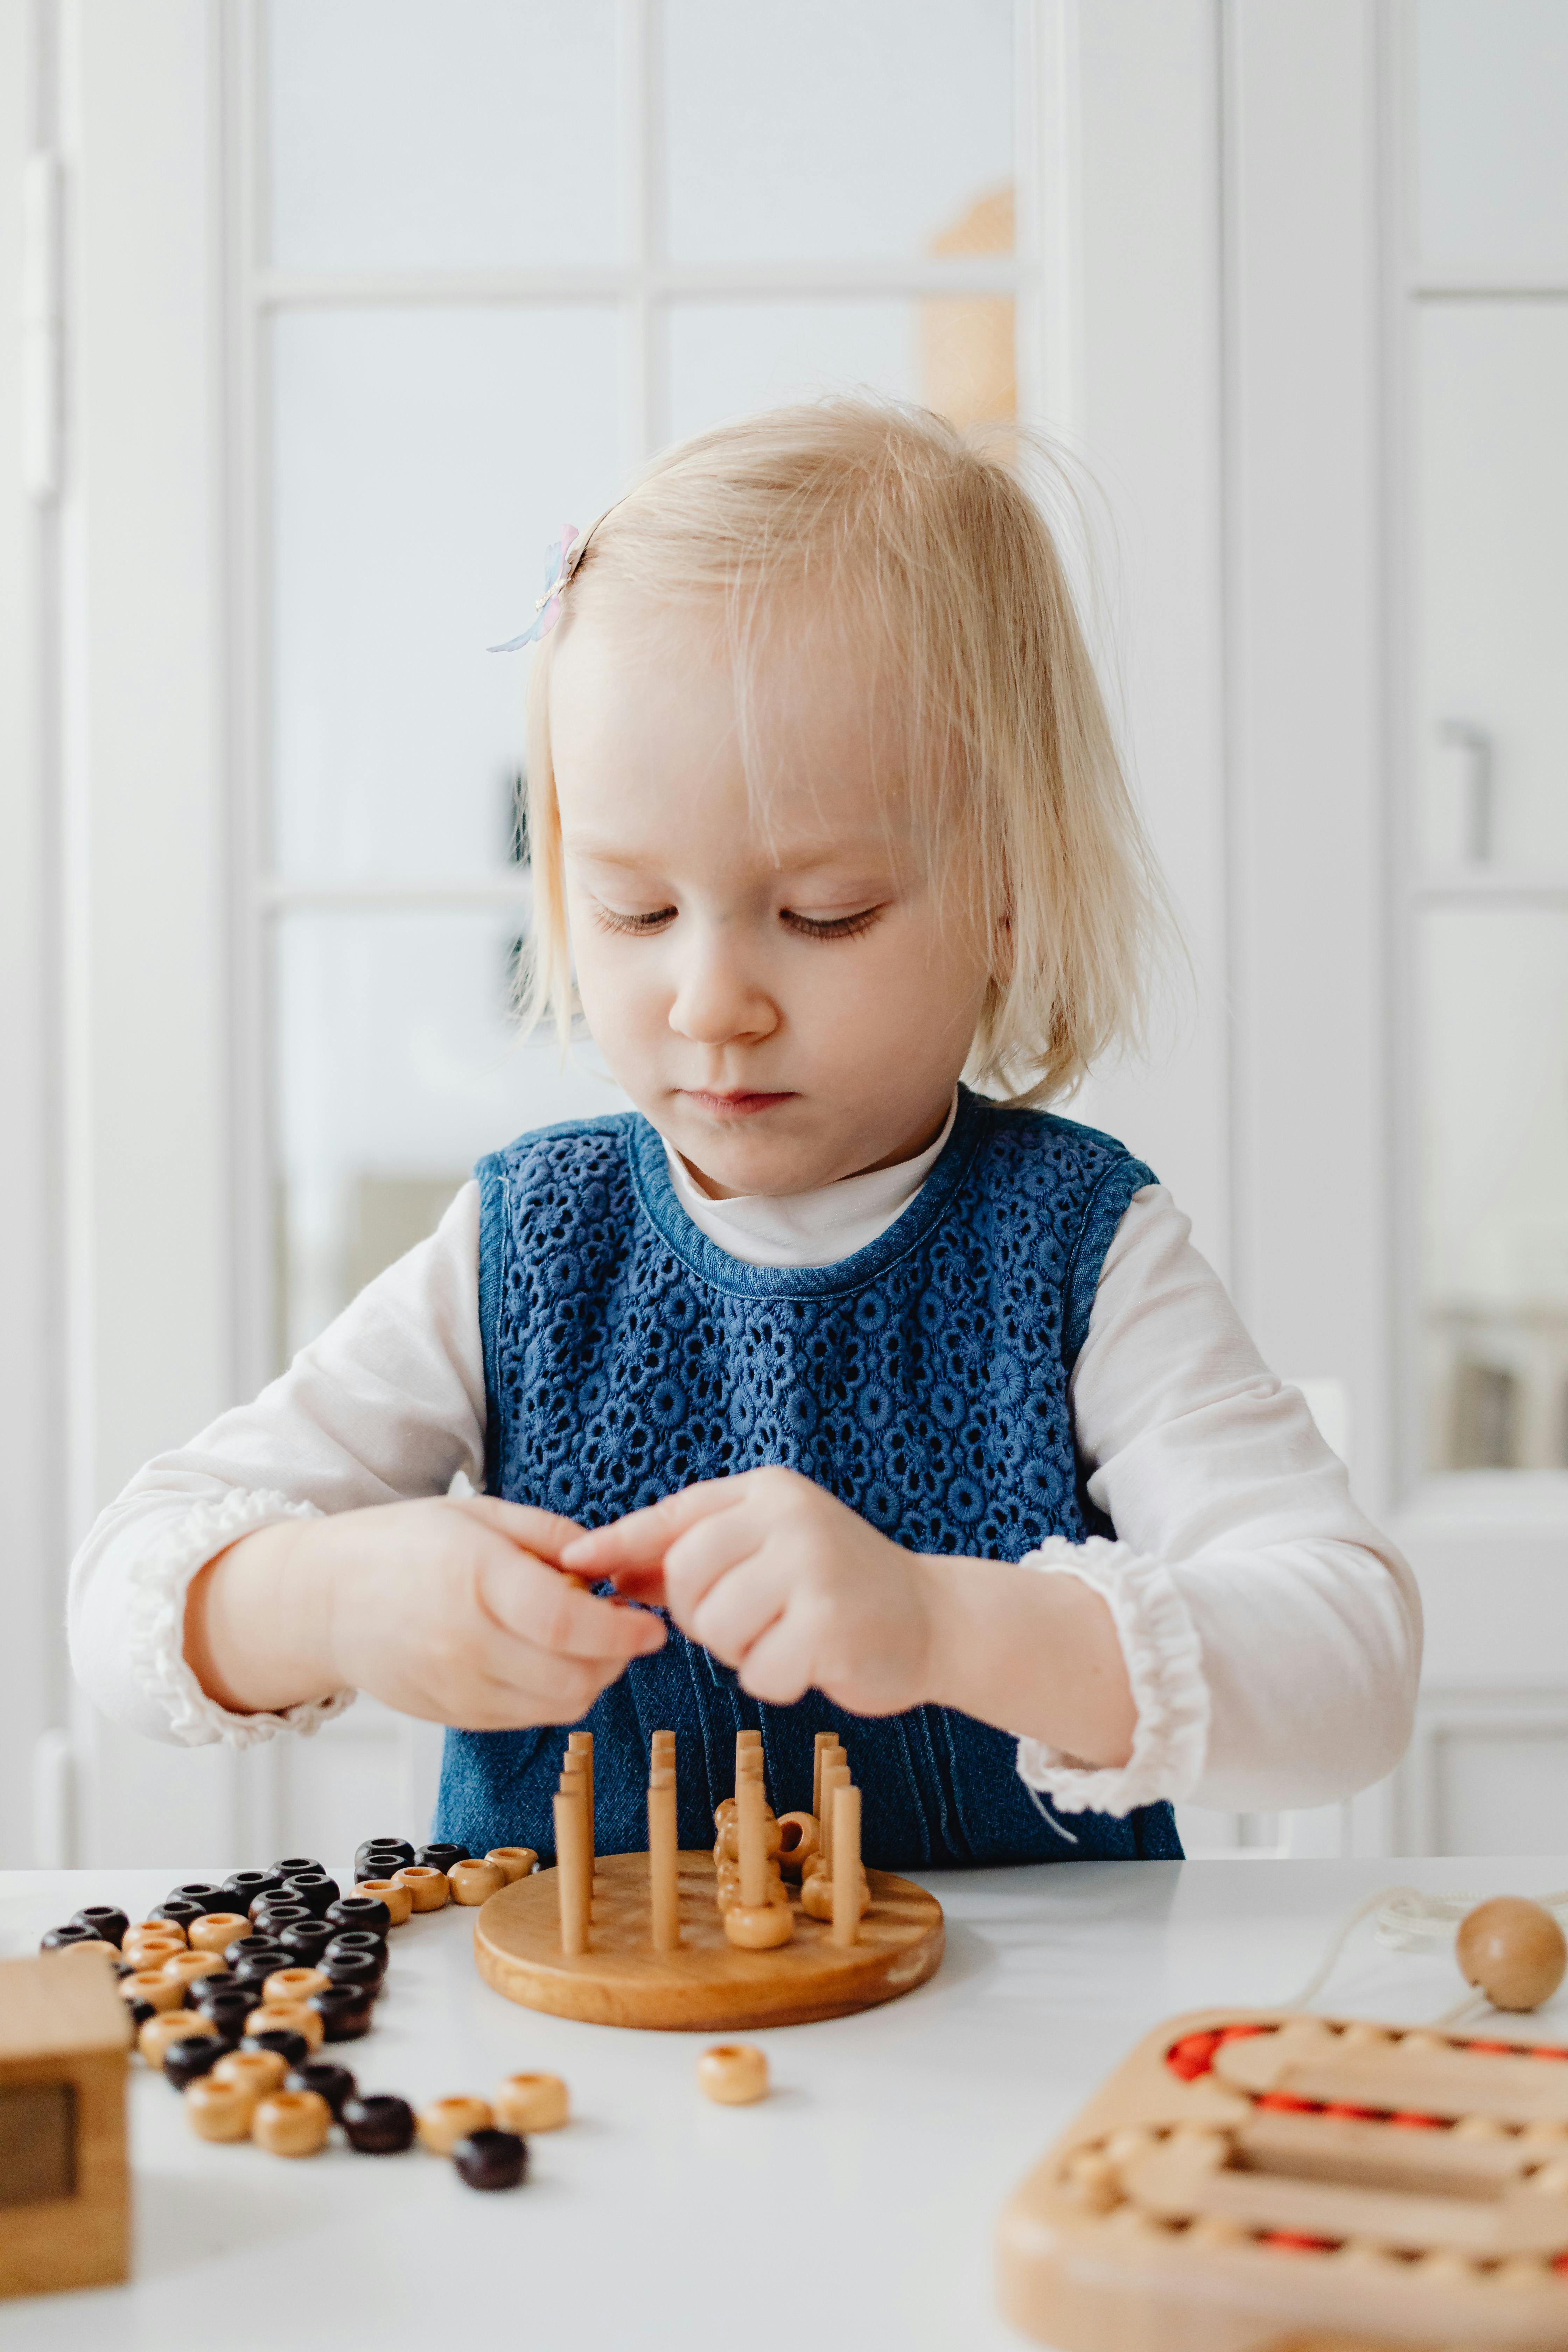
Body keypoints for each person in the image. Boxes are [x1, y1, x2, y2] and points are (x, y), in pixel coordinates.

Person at [69, 400, 1420, 1867]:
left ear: (1009, 894)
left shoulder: (1079, 1252)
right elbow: (124, 1595)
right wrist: (323, 1600)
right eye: (635, 910)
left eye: (821, 913)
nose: (713, 1002)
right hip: (575, 2078)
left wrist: (949, 1623)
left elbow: (1350, 1669)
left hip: (1006, 2075)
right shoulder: (526, 1245)